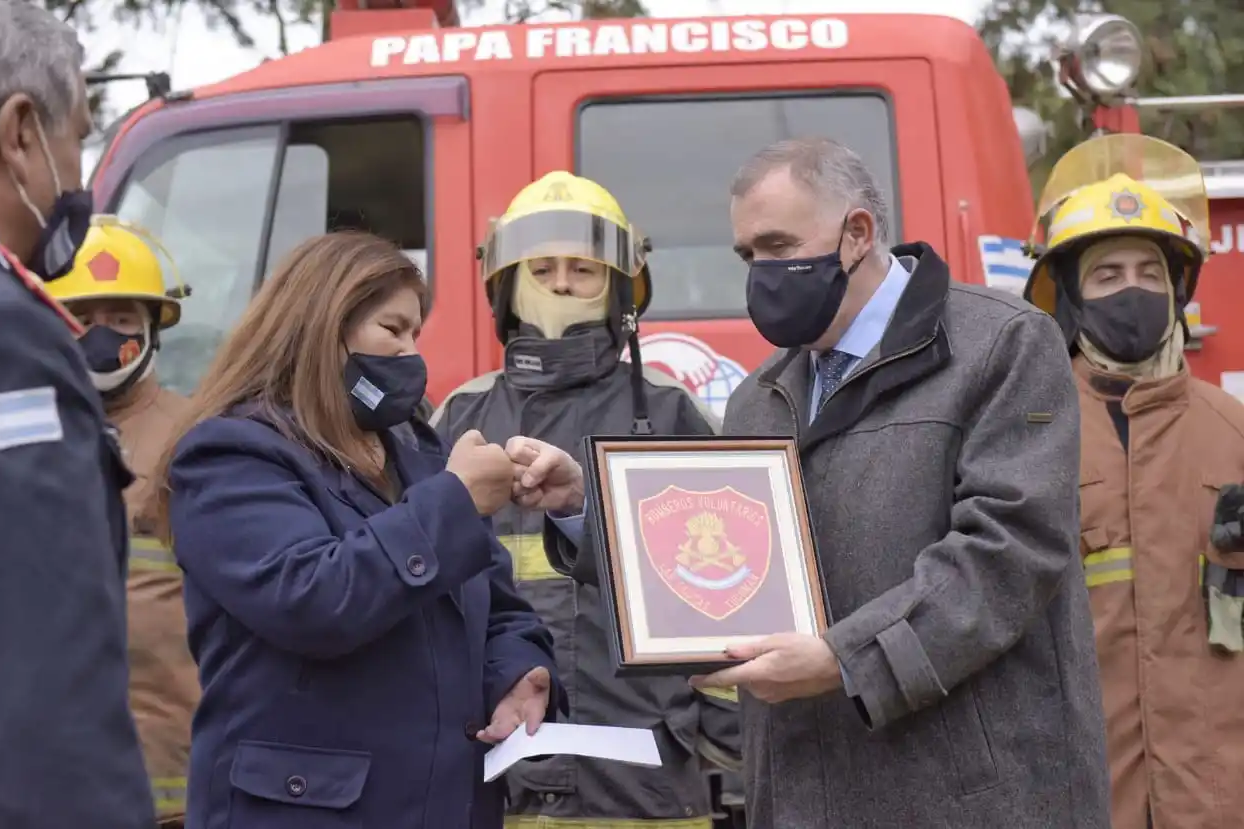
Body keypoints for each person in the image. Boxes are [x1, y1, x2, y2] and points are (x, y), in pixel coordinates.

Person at [509, 137, 1112, 828]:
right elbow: (714, 560)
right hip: (806, 793)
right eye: (747, 255)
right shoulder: (760, 396)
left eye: (776, 245)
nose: (762, 272)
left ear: (857, 234)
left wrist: (841, 659)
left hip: (968, 796)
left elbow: (1008, 554)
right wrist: (586, 510)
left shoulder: (1001, 345)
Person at [152, 231, 564, 829]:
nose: (411, 354)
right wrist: (454, 501)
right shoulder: (231, 454)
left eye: (416, 334)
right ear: (324, 327)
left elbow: (498, 604)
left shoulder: (418, 452)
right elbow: (312, 600)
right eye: (392, 330)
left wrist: (518, 671)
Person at [431, 171, 741, 829]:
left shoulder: (667, 411)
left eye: (582, 269)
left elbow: (724, 598)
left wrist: (726, 745)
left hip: (647, 777)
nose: (564, 285)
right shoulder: (460, 417)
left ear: (622, 289)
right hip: (497, 774)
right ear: (506, 285)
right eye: (542, 269)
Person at [0, 2, 155, 826]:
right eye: (75, 135)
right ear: (18, 133)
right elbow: (44, 696)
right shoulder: (2, 333)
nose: (78, 174)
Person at [1024, 133, 1244, 829]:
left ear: (1179, 287)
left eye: (1150, 272)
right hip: (1083, 796)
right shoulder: (1028, 430)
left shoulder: (1231, 429)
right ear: (1071, 298)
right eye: (1108, 274)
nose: (1133, 291)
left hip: (1216, 799)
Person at [47, 215, 200, 827]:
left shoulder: (197, 437)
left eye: (121, 319)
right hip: (58, 776)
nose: (100, 336)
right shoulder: (24, 436)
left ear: (152, 330)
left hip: (179, 785)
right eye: (82, 318)